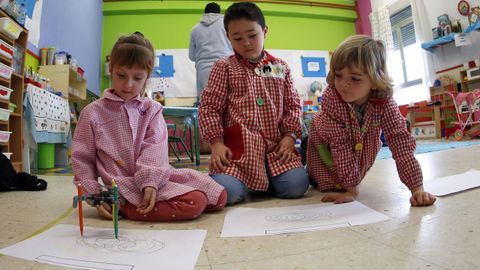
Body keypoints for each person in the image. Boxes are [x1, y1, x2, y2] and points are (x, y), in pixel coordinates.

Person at [72, 32, 226, 222]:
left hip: (156, 175)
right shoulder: (92, 112)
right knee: (195, 202)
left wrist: (150, 181)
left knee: (219, 196)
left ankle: (142, 200)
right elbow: (82, 158)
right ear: (111, 70)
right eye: (121, 75)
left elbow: (155, 149)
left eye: (137, 78)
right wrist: (94, 195)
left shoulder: (152, 109)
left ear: (147, 77)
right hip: (122, 185)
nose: (128, 85)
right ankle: (125, 207)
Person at [198, 2, 309, 205]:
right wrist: (216, 143)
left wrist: (290, 136)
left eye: (252, 35)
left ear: (264, 31)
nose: (246, 43)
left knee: (297, 186)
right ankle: (245, 181)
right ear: (228, 38)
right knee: (226, 193)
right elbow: (209, 108)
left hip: (277, 151)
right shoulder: (223, 68)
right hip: (237, 154)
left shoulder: (279, 67)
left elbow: (292, 105)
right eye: (237, 38)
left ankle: (264, 179)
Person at [306, 35, 436, 207]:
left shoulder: (385, 103)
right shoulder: (331, 97)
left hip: (359, 148)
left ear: (375, 81)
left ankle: (346, 181)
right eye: (338, 75)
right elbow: (340, 145)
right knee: (320, 180)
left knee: (345, 177)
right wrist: (352, 188)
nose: (344, 84)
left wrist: (417, 188)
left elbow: (400, 143)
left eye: (355, 78)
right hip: (322, 144)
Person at [189, 2, 233, 101]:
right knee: (227, 101)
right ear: (219, 12)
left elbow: (191, 56)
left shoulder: (195, 29)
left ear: (205, 12)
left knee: (206, 102)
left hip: (202, 70)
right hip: (225, 66)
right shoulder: (226, 25)